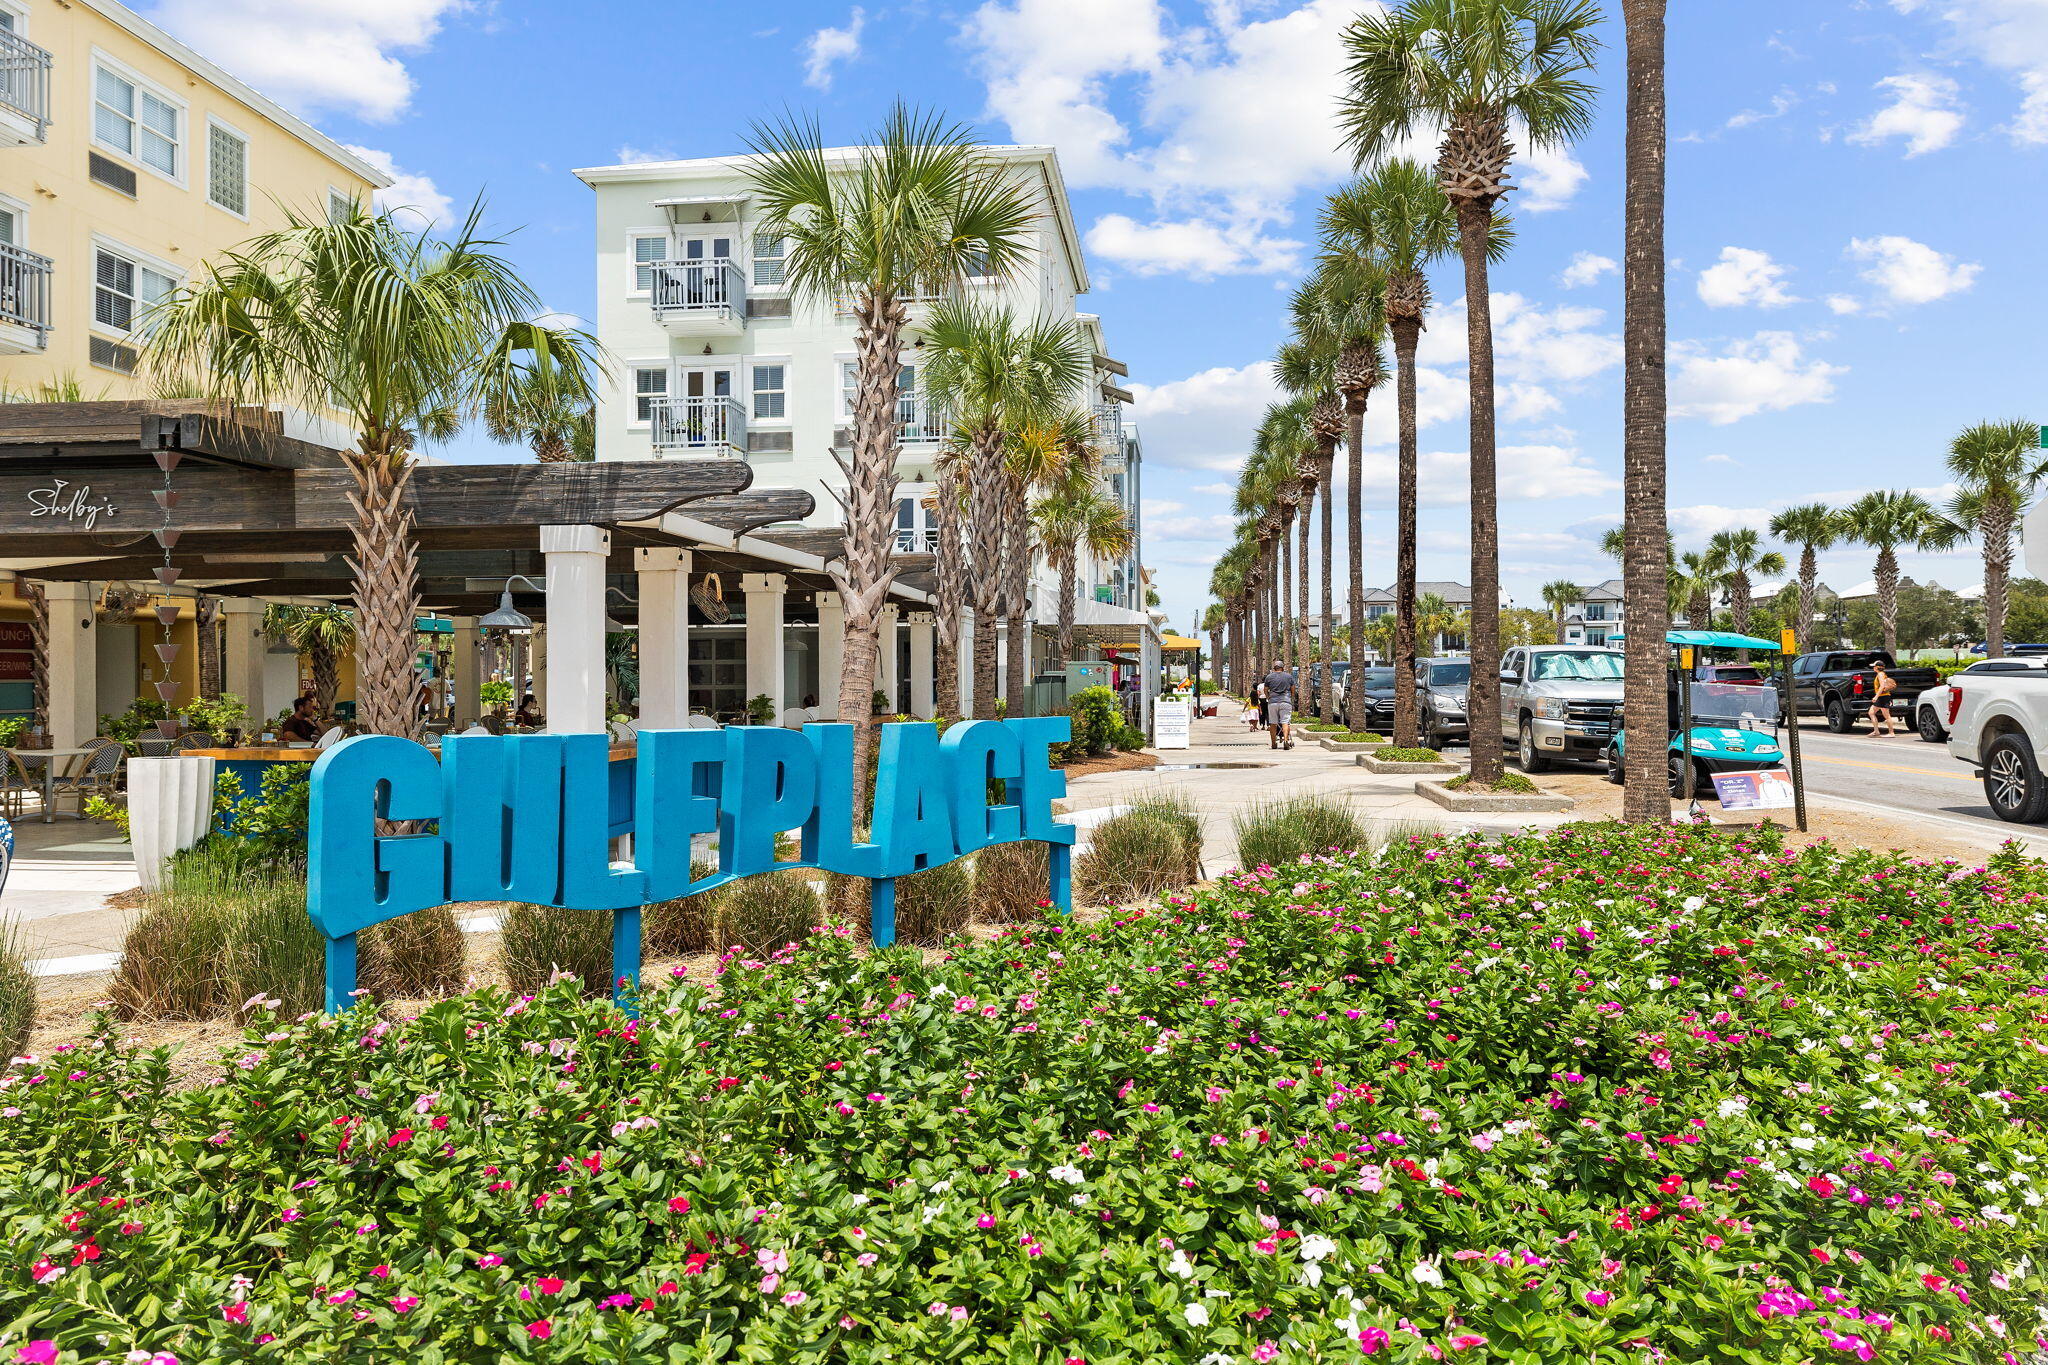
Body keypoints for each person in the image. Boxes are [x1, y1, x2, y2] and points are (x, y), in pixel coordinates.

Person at [1262, 658, 1298, 751]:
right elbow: (1293, 689)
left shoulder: (1269, 677)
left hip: (1273, 702)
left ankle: (1274, 743)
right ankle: (1285, 740)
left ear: (1274, 668)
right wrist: (1291, 698)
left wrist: (1268, 697)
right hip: (1285, 701)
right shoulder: (1289, 676)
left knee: (1273, 723)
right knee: (1285, 722)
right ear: (1282, 667)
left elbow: (1265, 690)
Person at [1867, 661, 1899, 738]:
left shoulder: (1880, 674)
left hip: (1883, 697)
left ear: (1877, 667)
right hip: (1882, 696)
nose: (1873, 668)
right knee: (1871, 712)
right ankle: (1876, 731)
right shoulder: (1880, 674)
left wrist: (1876, 697)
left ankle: (1891, 733)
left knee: (1886, 715)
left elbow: (1882, 686)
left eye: (1874, 666)